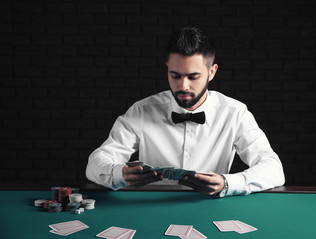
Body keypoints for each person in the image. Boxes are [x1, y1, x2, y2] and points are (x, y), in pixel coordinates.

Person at [86, 27, 285, 197]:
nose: (183, 86)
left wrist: (228, 183)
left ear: (212, 72)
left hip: (210, 210)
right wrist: (119, 173)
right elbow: (95, 163)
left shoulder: (235, 113)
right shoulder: (141, 110)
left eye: (193, 76)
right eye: (175, 75)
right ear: (167, 69)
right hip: (149, 211)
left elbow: (273, 169)